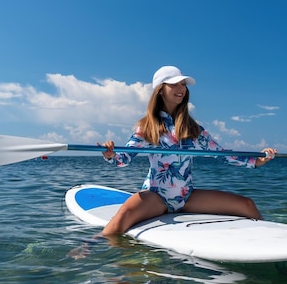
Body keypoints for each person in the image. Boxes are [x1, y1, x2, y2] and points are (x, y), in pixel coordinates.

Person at [99, 65, 277, 237]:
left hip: (186, 196)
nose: (181, 88)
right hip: (156, 196)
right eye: (174, 84)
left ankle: (271, 241)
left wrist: (257, 161)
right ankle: (87, 249)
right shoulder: (147, 127)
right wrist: (110, 155)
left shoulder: (192, 128)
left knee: (247, 205)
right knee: (119, 221)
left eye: (183, 84)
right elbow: (123, 159)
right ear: (160, 89)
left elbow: (222, 154)